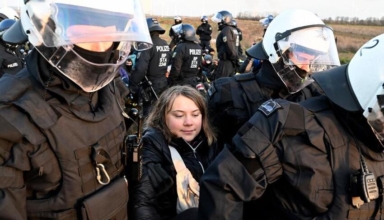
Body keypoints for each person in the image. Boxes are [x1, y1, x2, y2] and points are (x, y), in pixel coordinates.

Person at [198, 32, 384, 220]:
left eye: (315, 56)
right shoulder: (287, 122)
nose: (308, 64)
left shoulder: (311, 96)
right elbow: (223, 185)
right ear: (279, 51)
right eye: (303, 54)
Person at [0, 0, 153, 219]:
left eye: (111, 27)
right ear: (48, 25)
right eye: (86, 24)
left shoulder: (112, 90)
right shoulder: (10, 116)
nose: (101, 46)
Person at [207, 9, 340, 148]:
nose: (306, 68)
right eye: (302, 57)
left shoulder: (313, 97)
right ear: (277, 52)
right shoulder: (229, 93)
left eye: (312, 61)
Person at [132, 85, 219, 220]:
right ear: (162, 117)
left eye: (195, 114)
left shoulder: (209, 143)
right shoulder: (152, 145)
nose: (189, 122)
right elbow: (142, 202)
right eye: (179, 115)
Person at [130, 17, 171, 117]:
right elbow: (169, 62)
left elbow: (140, 68)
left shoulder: (147, 45)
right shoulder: (165, 44)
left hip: (150, 86)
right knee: (161, 112)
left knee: (149, 115)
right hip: (163, 83)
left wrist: (132, 85)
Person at [168, 23, 202, 88]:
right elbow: (200, 66)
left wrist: (171, 80)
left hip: (182, 82)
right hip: (194, 81)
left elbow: (176, 68)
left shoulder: (181, 47)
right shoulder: (198, 47)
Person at [211, 10, 239, 78]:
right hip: (230, 61)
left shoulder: (226, 30)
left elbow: (230, 47)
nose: (218, 22)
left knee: (221, 84)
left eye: (220, 19)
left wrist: (233, 60)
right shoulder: (233, 29)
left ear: (225, 19)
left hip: (226, 62)